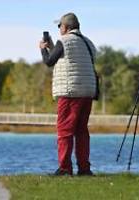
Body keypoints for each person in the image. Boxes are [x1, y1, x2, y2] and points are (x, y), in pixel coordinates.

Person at [39, 13, 97, 176]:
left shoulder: (64, 41)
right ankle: (84, 168)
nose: (59, 29)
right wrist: (52, 47)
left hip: (70, 92)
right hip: (87, 92)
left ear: (66, 27)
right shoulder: (87, 42)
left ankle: (65, 168)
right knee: (81, 131)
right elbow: (69, 58)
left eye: (60, 26)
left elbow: (49, 61)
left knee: (64, 130)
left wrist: (43, 50)